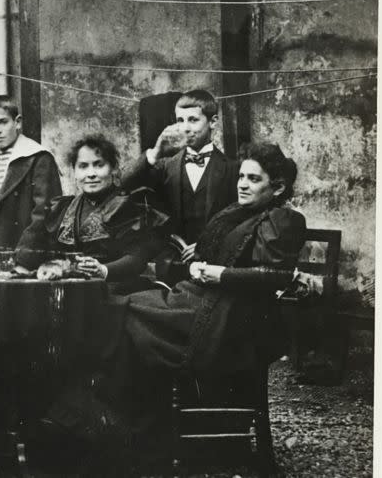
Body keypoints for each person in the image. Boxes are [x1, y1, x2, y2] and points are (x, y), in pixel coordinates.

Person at [54, 142, 306, 446]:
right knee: (120, 311)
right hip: (203, 299)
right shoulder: (239, 213)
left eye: (254, 179)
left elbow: (275, 276)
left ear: (277, 187)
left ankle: (132, 427)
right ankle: (123, 422)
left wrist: (218, 273)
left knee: (123, 312)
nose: (242, 184)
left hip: (232, 315)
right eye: (241, 177)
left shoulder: (282, 219)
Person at [14, 134, 167, 293]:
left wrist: (103, 270)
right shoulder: (62, 208)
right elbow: (37, 243)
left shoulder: (130, 205)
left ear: (113, 169)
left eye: (99, 165)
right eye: (83, 166)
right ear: (74, 172)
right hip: (70, 290)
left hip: (116, 290)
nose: (91, 173)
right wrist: (25, 266)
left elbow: (137, 258)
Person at [121, 89, 238, 266]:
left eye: (193, 120)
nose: (185, 128)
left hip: (215, 263)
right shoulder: (165, 166)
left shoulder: (232, 169)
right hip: (172, 263)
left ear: (213, 122)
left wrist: (207, 244)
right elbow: (124, 184)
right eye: (180, 120)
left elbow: (239, 220)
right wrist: (155, 152)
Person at [0, 95, 62, 273]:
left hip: (24, 257)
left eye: (3, 122)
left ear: (18, 122)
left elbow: (44, 214)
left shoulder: (37, 157)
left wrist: (23, 260)